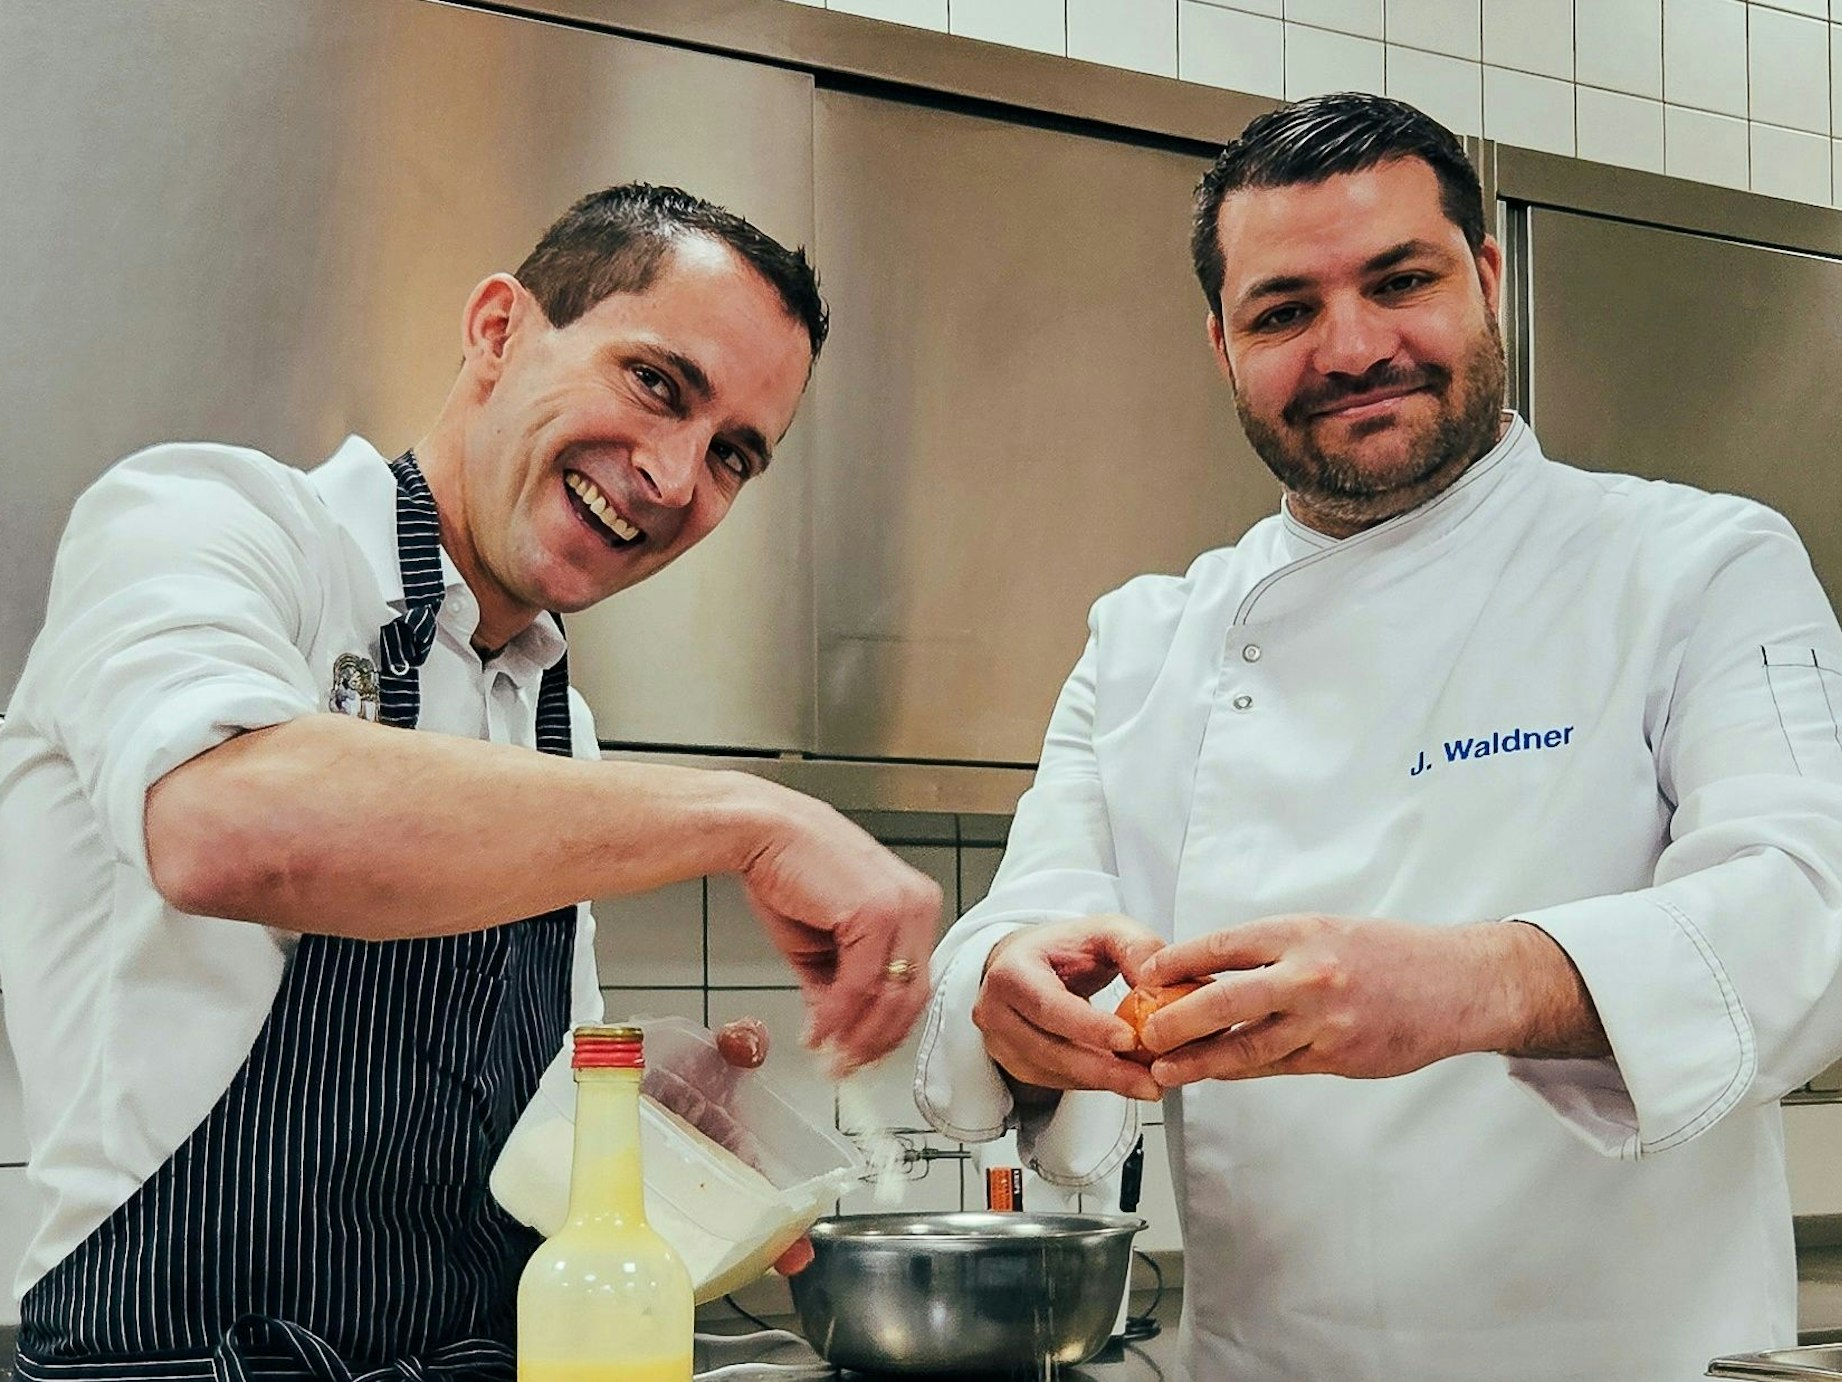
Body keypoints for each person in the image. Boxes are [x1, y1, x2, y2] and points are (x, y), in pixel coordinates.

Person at [914, 94, 1842, 1380]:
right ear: (1222, 345)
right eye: (1283, 312)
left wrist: (1467, 985)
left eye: (1401, 281)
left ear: (1487, 279)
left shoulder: (1698, 565)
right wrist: (1010, 993)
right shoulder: (1144, 640)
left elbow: (1811, 913)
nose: (1352, 348)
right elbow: (1024, 927)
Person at [0, 183, 942, 1378]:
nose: (672, 476)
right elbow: (222, 825)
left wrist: (641, 1128)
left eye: (732, 455)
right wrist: (750, 816)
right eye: (657, 383)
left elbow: (512, 1159)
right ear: (498, 329)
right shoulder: (208, 522)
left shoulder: (557, 721)